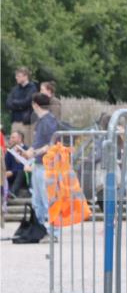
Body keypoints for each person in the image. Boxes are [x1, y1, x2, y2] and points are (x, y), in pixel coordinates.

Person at [23, 93, 60, 239]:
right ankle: (39, 230)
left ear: (35, 105)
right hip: (38, 164)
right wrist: (28, 152)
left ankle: (53, 232)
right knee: (37, 201)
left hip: (46, 166)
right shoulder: (42, 121)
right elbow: (39, 142)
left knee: (48, 200)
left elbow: (51, 144)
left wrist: (34, 152)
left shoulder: (49, 120)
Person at [6, 67, 38, 146]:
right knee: (13, 146)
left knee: (26, 146)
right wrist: (20, 105)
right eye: (16, 76)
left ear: (25, 76)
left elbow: (27, 102)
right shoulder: (15, 89)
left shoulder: (32, 88)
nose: (16, 78)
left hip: (26, 123)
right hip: (15, 122)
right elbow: (8, 103)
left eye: (18, 76)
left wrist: (15, 103)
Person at [4, 129, 30, 198]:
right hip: (11, 177)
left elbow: (25, 166)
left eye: (13, 138)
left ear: (20, 138)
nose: (11, 139)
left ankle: (12, 193)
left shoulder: (27, 150)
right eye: (10, 138)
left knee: (21, 172)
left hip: (23, 177)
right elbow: (6, 165)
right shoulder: (9, 152)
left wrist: (12, 172)